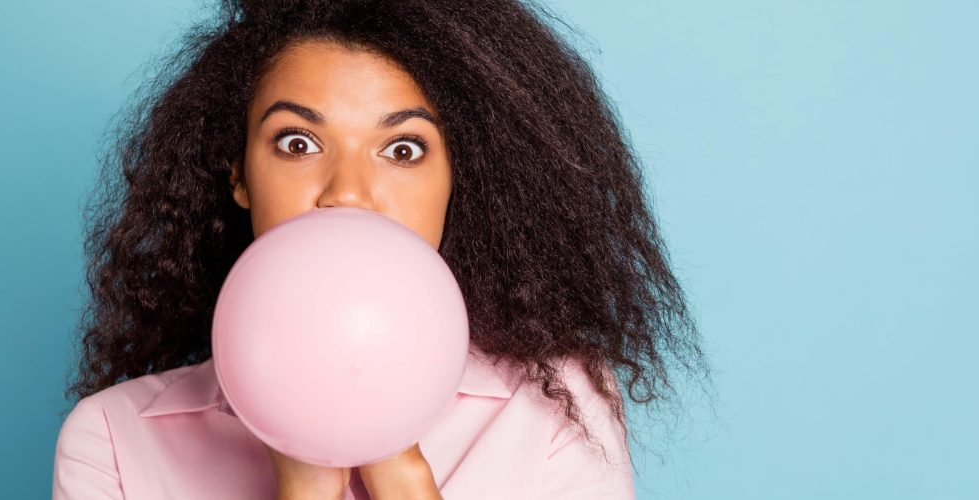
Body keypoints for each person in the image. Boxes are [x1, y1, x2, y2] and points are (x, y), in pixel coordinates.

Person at [53, 0, 712, 498]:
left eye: (402, 150)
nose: (349, 195)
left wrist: (399, 474)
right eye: (297, 143)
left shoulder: (558, 408)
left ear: (457, 180)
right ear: (238, 175)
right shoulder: (112, 439)